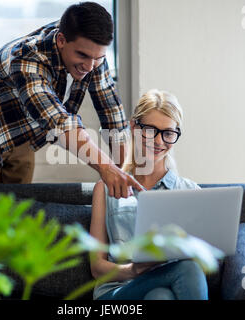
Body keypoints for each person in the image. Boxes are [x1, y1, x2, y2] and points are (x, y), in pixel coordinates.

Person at [0, 2, 144, 198]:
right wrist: (107, 168)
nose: (89, 66)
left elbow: (113, 116)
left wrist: (125, 172)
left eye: (98, 57)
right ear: (61, 40)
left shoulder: (93, 57)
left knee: (17, 206)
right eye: (82, 55)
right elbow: (60, 124)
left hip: (21, 131)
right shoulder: (26, 58)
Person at [89, 89, 209, 300]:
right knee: (188, 269)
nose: (160, 141)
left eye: (168, 133)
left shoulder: (190, 192)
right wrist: (133, 270)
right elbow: (96, 266)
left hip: (168, 288)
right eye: (151, 130)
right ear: (134, 127)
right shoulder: (106, 189)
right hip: (117, 292)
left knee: (160, 296)